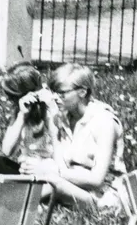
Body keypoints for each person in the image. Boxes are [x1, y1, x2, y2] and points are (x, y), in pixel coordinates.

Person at [21, 63, 127, 209]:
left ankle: (13, 205)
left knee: (52, 179)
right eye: (53, 92)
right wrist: (53, 131)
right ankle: (20, 201)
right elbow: (61, 165)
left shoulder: (104, 122)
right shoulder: (64, 116)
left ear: (82, 92)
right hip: (74, 184)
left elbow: (97, 180)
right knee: (36, 164)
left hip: (104, 195)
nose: (55, 98)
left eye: (61, 93)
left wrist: (48, 173)